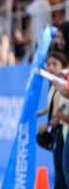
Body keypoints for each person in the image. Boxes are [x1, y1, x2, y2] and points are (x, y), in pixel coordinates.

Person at [37, 51, 68, 189]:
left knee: (62, 170)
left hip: (62, 129)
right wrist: (41, 112)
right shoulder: (55, 85)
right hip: (60, 128)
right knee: (60, 169)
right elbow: (53, 107)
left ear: (64, 67)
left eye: (55, 64)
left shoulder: (62, 84)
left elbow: (61, 110)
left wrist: (48, 124)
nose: (50, 67)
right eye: (48, 64)